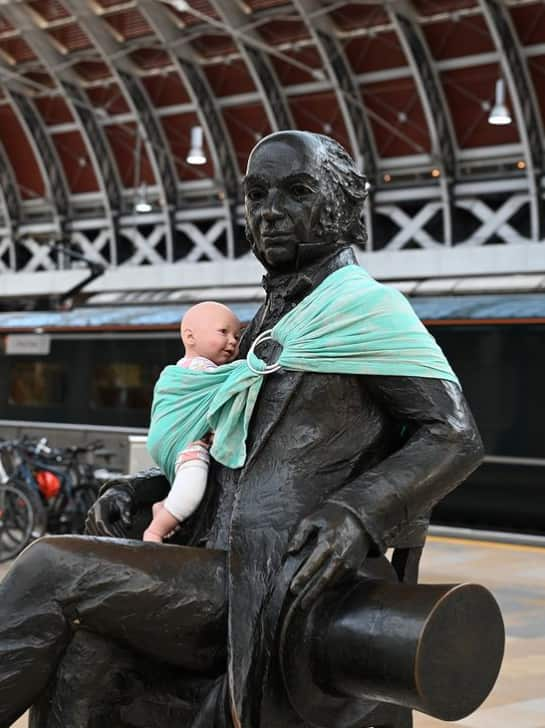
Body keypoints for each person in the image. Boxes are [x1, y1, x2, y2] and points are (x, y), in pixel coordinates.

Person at [0, 131, 484, 728]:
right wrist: (150, 487)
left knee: (49, 565)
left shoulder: (369, 310)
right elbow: (232, 449)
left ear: (342, 205)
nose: (271, 213)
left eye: (296, 191)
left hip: (281, 575)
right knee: (85, 659)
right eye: (257, 195)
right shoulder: (262, 324)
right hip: (216, 563)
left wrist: (356, 514)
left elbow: (454, 434)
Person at [143, 301, 241, 543]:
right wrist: (251, 368)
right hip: (185, 441)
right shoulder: (200, 369)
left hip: (169, 438)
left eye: (237, 336)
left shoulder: (192, 369)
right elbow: (233, 381)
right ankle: (155, 531)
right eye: (223, 332)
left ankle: (164, 506)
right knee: (191, 490)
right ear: (190, 337)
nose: (232, 341)